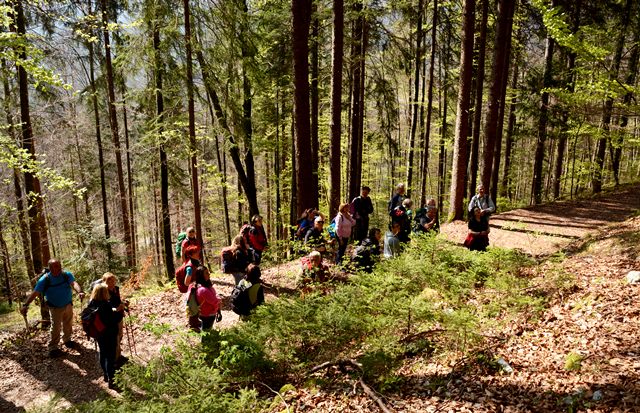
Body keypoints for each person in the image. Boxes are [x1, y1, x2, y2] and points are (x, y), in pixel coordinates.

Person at [20, 259, 85, 358]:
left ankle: (67, 340)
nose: (58, 268)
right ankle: (53, 348)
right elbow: (35, 292)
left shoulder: (66, 275)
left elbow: (74, 284)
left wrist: (79, 291)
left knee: (68, 323)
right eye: (55, 266)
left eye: (59, 266)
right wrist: (26, 304)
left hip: (68, 304)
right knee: (56, 327)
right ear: (50, 268)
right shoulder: (45, 279)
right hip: (55, 307)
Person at [87, 283, 123, 389]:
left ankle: (106, 375)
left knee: (103, 353)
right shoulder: (105, 305)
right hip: (109, 333)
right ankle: (112, 380)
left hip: (98, 333)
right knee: (110, 356)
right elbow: (113, 320)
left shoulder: (92, 303)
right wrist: (120, 311)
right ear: (104, 293)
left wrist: (114, 310)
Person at [101, 272, 128, 365]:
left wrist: (123, 303)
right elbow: (105, 307)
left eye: (113, 281)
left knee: (120, 336)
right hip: (110, 320)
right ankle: (116, 361)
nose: (112, 283)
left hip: (119, 317)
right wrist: (116, 309)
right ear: (104, 282)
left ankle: (118, 355)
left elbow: (118, 301)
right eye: (109, 281)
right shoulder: (103, 292)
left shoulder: (116, 289)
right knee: (114, 339)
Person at [189, 266, 221, 332]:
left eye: (208, 272)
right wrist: (219, 299)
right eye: (206, 273)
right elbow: (215, 301)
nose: (209, 274)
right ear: (201, 275)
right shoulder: (203, 290)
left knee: (205, 331)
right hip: (207, 315)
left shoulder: (205, 285)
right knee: (206, 332)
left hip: (206, 313)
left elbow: (213, 296)